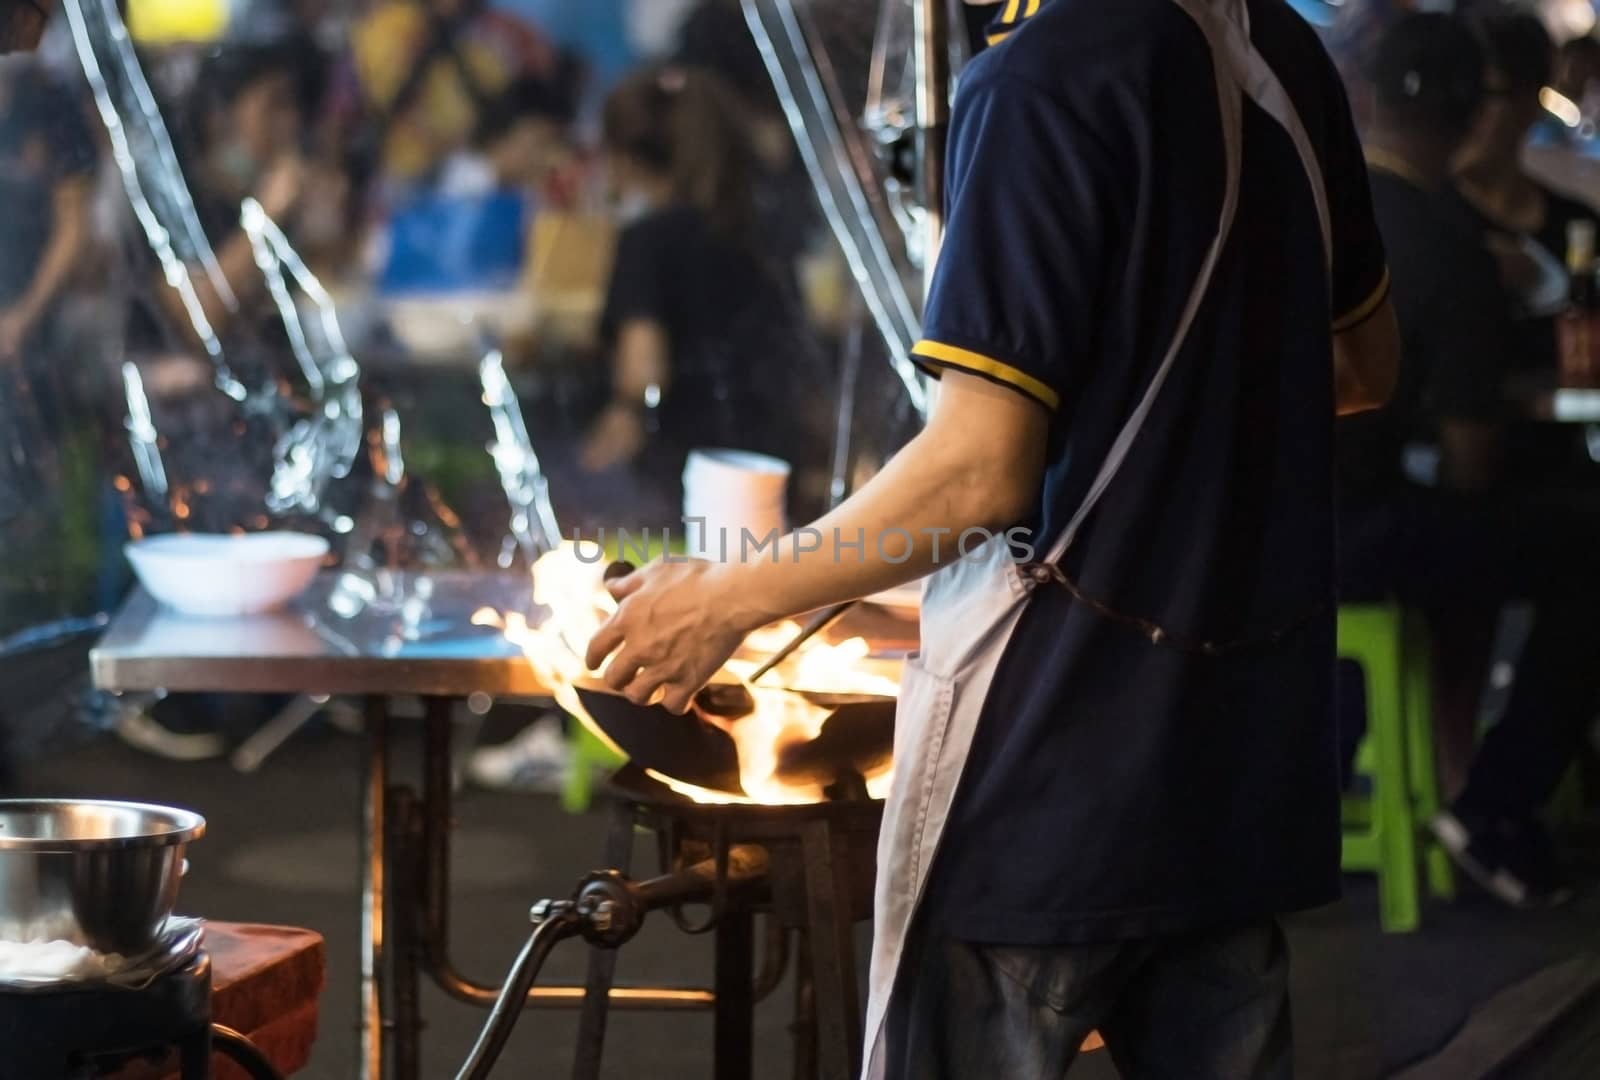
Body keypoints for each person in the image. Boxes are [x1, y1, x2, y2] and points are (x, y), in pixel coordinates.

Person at [584, 1, 1398, 1076]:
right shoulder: (1278, 48)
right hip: (1233, 751)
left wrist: (727, 600)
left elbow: (978, 468)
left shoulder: (1039, 74)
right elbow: (1357, 368)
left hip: (1054, 756)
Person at [1341, 12, 1600, 908]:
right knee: (1585, 541)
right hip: (1357, 539)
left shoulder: (1322, 213)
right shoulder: (1448, 249)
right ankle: (1494, 803)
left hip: (1256, 533)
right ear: (1472, 117)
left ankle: (1462, 785)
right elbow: (1470, 463)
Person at [1449, 11, 1599, 378]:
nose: (1463, 110)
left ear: (1528, 101)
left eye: (1482, 93)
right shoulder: (1426, 223)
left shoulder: (1577, 226)